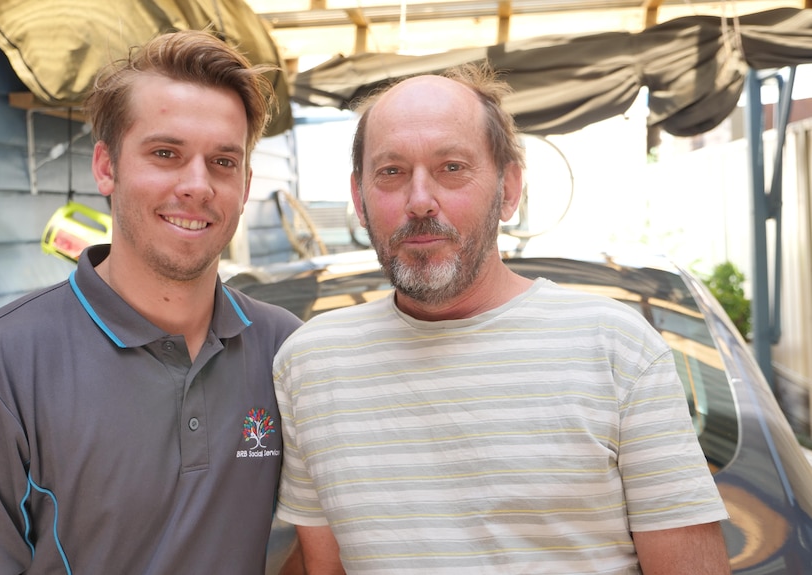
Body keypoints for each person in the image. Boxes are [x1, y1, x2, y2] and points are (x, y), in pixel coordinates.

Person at [272, 63, 732, 574]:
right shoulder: (310, 363)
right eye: (391, 171)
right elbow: (322, 567)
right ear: (359, 198)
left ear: (509, 189)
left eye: (452, 167)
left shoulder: (617, 349)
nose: (420, 200)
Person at [0, 30, 303, 573]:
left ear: (247, 183)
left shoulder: (287, 352)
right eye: (166, 153)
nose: (197, 185)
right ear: (106, 167)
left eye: (223, 162)